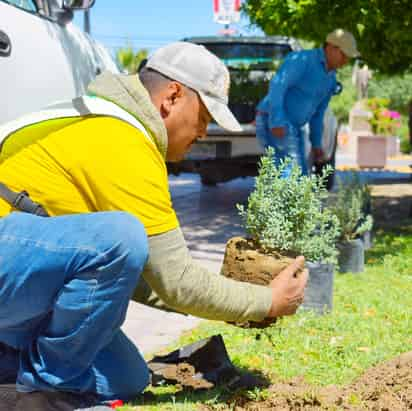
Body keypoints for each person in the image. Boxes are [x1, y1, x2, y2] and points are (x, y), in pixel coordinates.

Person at [0, 42, 308, 409]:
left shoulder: (110, 123)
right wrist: (267, 301)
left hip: (19, 277)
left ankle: (8, 367)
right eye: (205, 117)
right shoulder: (121, 138)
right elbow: (173, 279)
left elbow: (145, 277)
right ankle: (46, 391)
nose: (204, 133)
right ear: (173, 96)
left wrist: (237, 303)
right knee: (121, 237)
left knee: (128, 376)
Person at [256, 29, 359, 176]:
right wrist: (277, 120)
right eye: (344, 55)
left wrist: (316, 144)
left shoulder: (330, 78)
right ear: (330, 47)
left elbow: (318, 114)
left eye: (348, 57)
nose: (345, 61)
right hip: (274, 118)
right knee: (292, 173)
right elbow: (277, 85)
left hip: (293, 125)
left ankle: (280, 198)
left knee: (298, 173)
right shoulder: (302, 60)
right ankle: (286, 198)